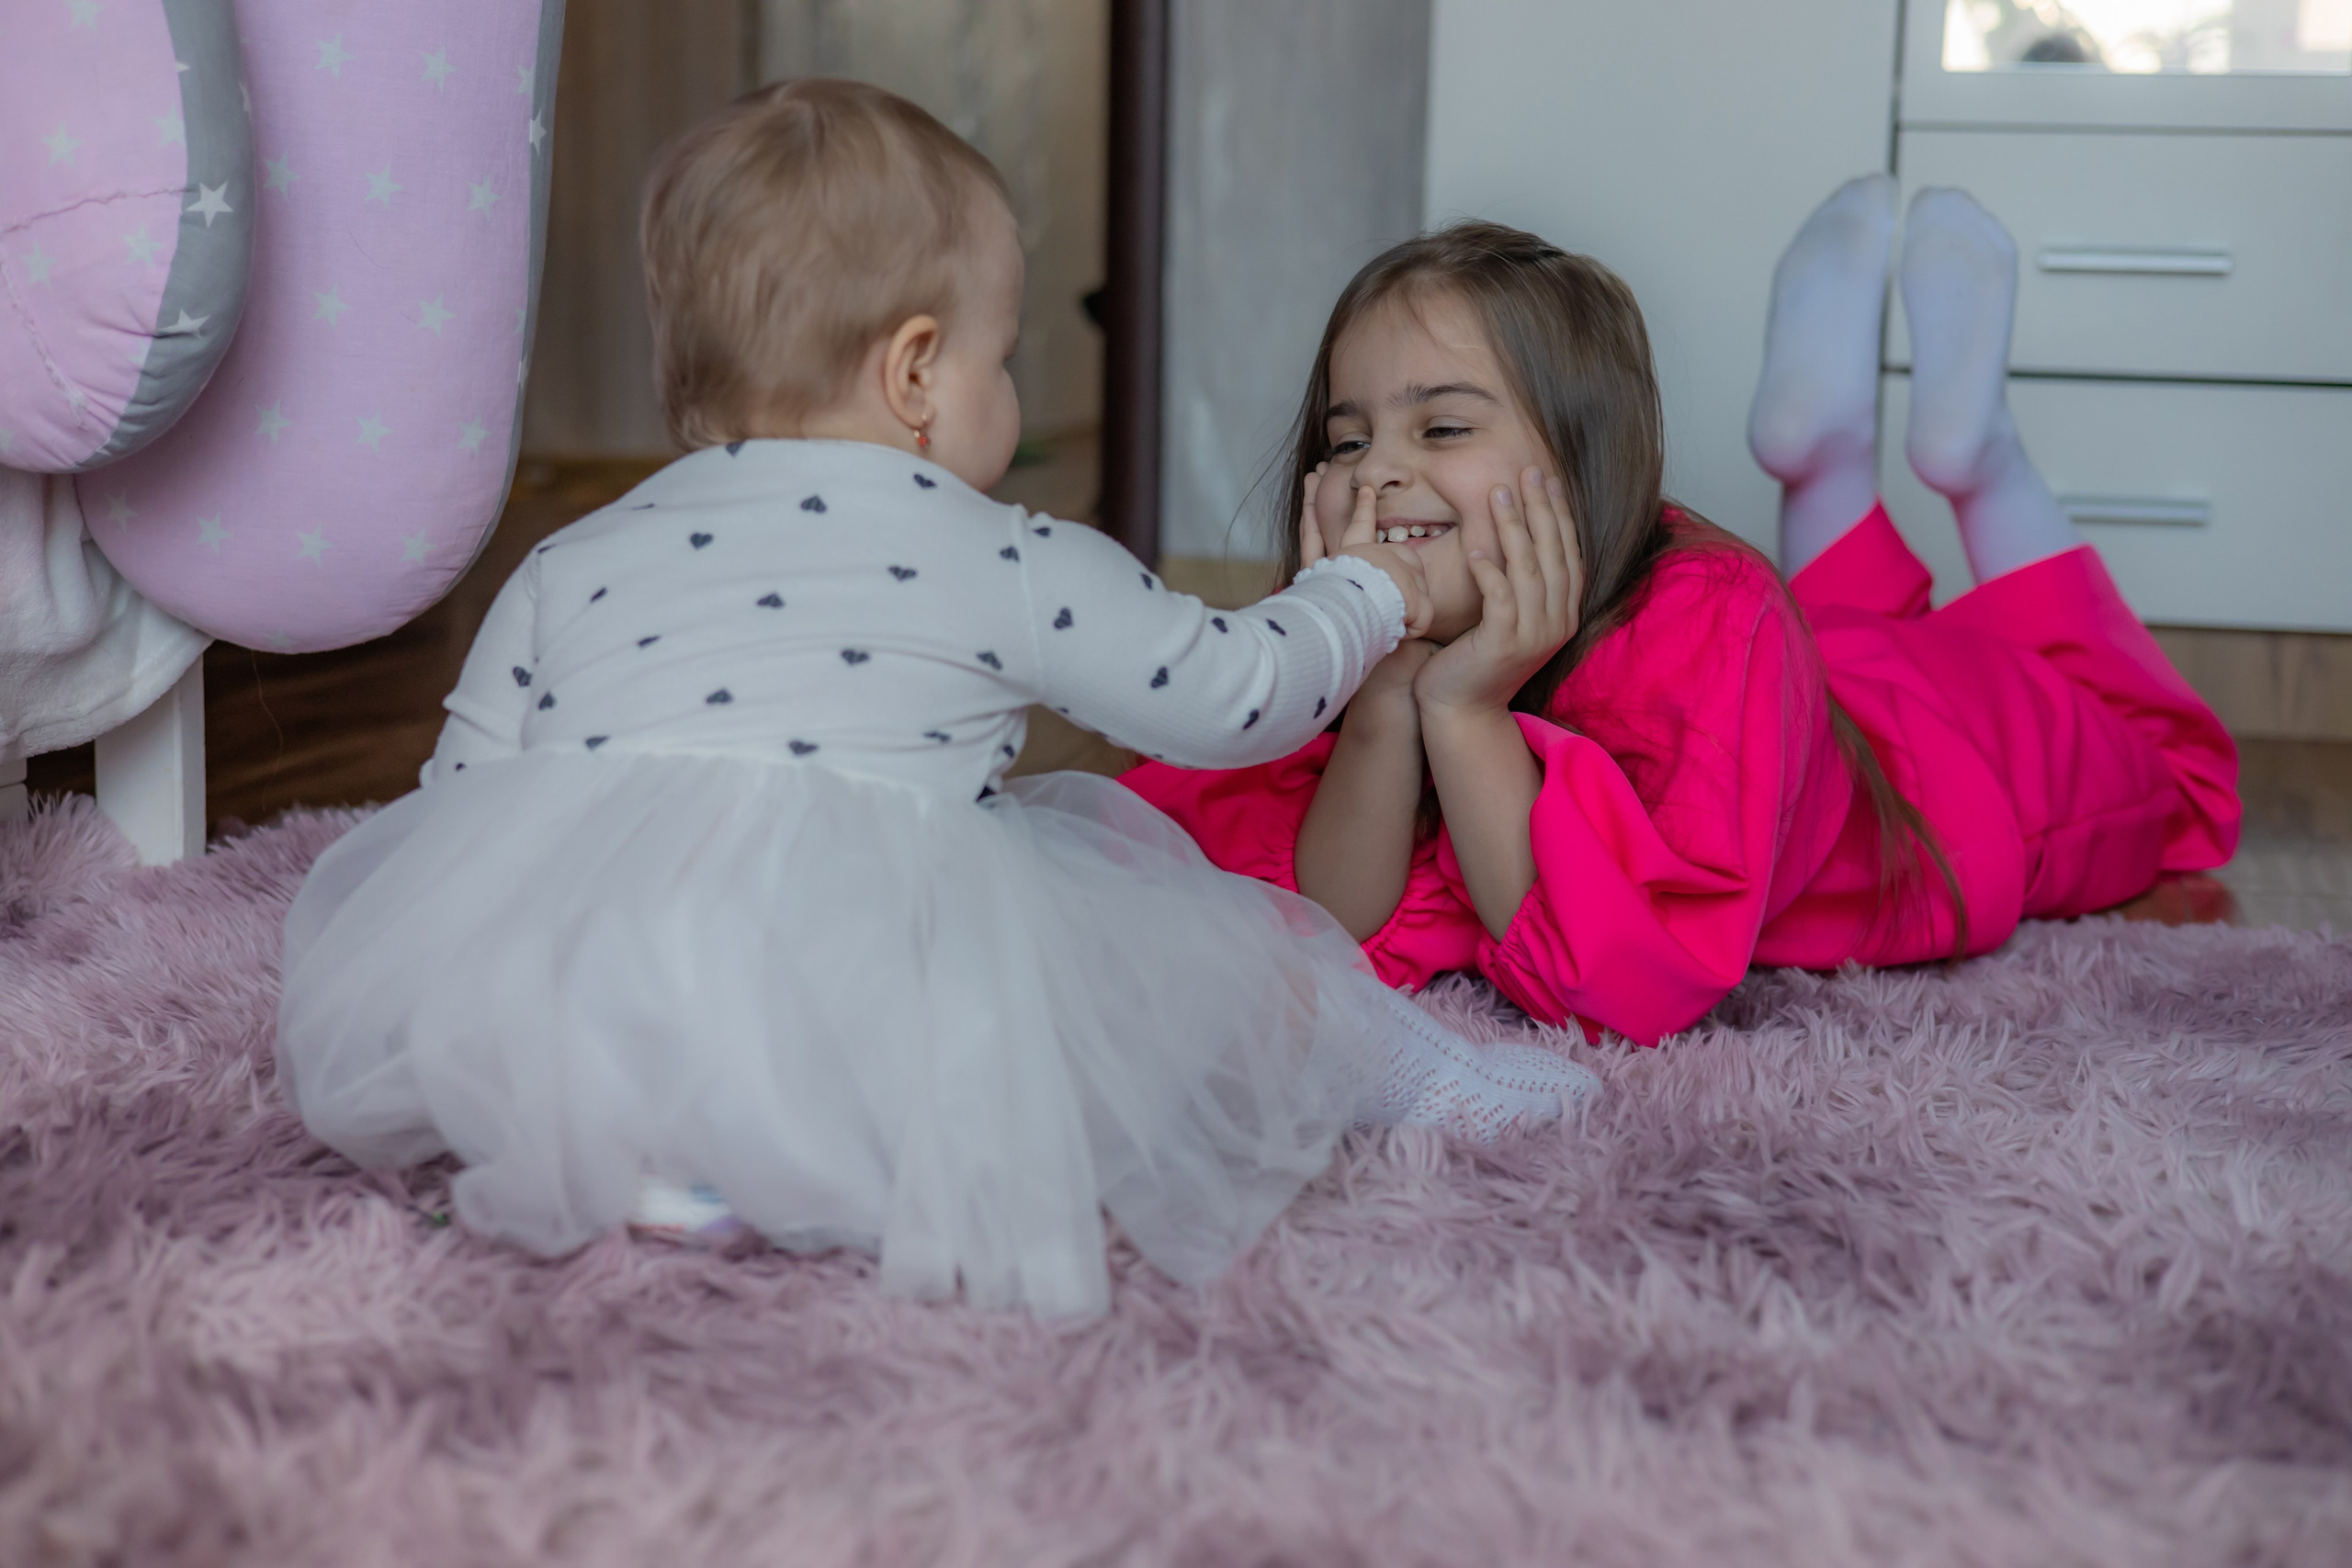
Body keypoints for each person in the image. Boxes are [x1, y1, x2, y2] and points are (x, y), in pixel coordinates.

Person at [273, 80, 1595, 1321]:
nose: (1006, 393)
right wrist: (1358, 593)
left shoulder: (571, 555)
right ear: (915, 374)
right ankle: (1407, 1067)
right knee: (1206, 946)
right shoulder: (996, 551)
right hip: (854, 1026)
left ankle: (657, 1157)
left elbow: (466, 802)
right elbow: (1235, 699)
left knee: (627, 968)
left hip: (593, 1019)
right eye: (1001, 356)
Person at [1124, 177, 2240, 1046]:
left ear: (1581, 469)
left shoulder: (1711, 618)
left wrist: (1465, 718)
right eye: (1347, 438)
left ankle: (1977, 462)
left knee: (2167, 769)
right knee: (1837, 628)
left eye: (1444, 430)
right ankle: (1825, 459)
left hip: (1949, 761)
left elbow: (1603, 986)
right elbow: (1338, 922)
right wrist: (1388, 704)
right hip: (1818, 674)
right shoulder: (1365, 613)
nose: (1374, 479)